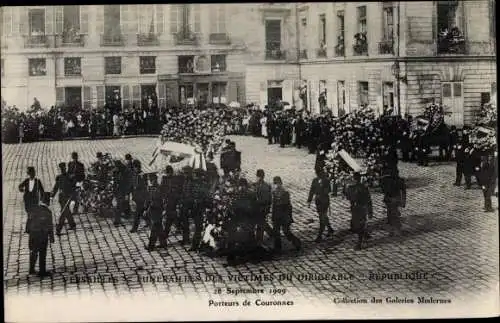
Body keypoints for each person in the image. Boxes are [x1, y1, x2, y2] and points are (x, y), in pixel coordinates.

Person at [271, 176, 301, 253]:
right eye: (275, 183)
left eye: (278, 183)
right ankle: (277, 247)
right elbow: (274, 206)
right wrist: (273, 216)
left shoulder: (285, 192)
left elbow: (288, 206)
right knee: (276, 232)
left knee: (286, 232)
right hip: (277, 215)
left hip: (284, 215)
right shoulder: (274, 192)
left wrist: (288, 217)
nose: (277, 185)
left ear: (280, 183)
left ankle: (297, 243)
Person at [28, 192, 55, 277]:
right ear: (48, 202)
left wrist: (29, 232)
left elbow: (29, 221)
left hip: (33, 234)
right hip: (42, 236)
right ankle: (42, 271)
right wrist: (51, 237)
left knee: (34, 251)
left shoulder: (34, 209)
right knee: (42, 253)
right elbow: (50, 226)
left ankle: (31, 269)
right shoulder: (48, 212)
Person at [345, 172, 373, 250]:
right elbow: (369, 200)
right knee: (356, 225)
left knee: (359, 225)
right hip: (357, 208)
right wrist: (370, 211)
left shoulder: (354, 188)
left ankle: (359, 243)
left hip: (360, 208)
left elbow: (348, 197)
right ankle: (365, 234)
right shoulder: (361, 187)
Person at [307, 167, 334, 242]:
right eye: (317, 173)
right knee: (322, 216)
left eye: (320, 172)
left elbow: (329, 190)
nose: (319, 174)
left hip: (324, 200)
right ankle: (330, 229)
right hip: (318, 201)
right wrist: (309, 200)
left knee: (322, 217)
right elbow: (312, 190)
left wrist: (323, 188)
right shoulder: (315, 180)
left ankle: (319, 236)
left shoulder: (326, 180)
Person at [160, 165, 184, 245]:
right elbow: (162, 189)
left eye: (168, 173)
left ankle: (167, 233)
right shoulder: (164, 179)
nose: (167, 174)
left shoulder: (176, 179)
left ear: (171, 172)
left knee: (170, 217)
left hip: (174, 200)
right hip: (168, 201)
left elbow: (179, 190)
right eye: (166, 173)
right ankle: (175, 227)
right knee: (170, 217)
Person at [51, 162, 76, 235]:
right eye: (62, 169)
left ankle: (58, 229)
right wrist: (52, 196)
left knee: (63, 213)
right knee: (66, 212)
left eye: (64, 168)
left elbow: (74, 187)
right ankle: (72, 224)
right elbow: (56, 187)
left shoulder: (70, 177)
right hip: (61, 198)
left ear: (65, 168)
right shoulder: (59, 177)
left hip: (68, 197)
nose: (63, 170)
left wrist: (73, 195)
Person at [380, 168, 406, 236]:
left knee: (393, 214)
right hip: (392, 199)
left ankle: (397, 229)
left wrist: (403, 202)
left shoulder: (387, 180)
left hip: (393, 199)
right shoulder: (398, 180)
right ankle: (394, 229)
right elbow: (403, 192)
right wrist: (403, 201)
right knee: (391, 214)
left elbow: (403, 191)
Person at [19, 167, 45, 233]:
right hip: (27, 200)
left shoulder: (37, 181)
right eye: (31, 173)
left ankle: (28, 229)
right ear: (29, 174)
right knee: (29, 213)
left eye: (33, 172)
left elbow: (42, 191)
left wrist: (42, 199)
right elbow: (20, 186)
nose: (33, 174)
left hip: (34, 200)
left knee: (32, 213)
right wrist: (21, 189)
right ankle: (30, 228)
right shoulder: (26, 181)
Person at [146, 173, 166, 251]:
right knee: (159, 227)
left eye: (152, 180)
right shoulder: (151, 188)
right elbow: (148, 199)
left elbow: (160, 200)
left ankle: (151, 245)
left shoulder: (159, 188)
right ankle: (163, 242)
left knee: (154, 228)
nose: (151, 181)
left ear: (156, 179)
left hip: (158, 209)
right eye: (150, 180)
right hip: (153, 209)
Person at [253, 169, 274, 246]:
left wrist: (258, 202)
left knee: (260, 223)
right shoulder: (255, 185)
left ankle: (259, 240)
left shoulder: (266, 186)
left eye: (260, 177)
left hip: (263, 208)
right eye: (258, 177)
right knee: (261, 222)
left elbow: (267, 200)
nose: (259, 178)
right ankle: (271, 232)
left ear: (262, 177)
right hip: (257, 208)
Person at [130, 160, 149, 233]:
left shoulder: (142, 175)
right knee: (141, 211)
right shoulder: (133, 174)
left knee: (137, 213)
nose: (136, 168)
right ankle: (148, 221)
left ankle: (134, 228)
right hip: (135, 195)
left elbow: (145, 186)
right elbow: (132, 184)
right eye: (135, 167)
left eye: (137, 167)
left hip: (141, 196)